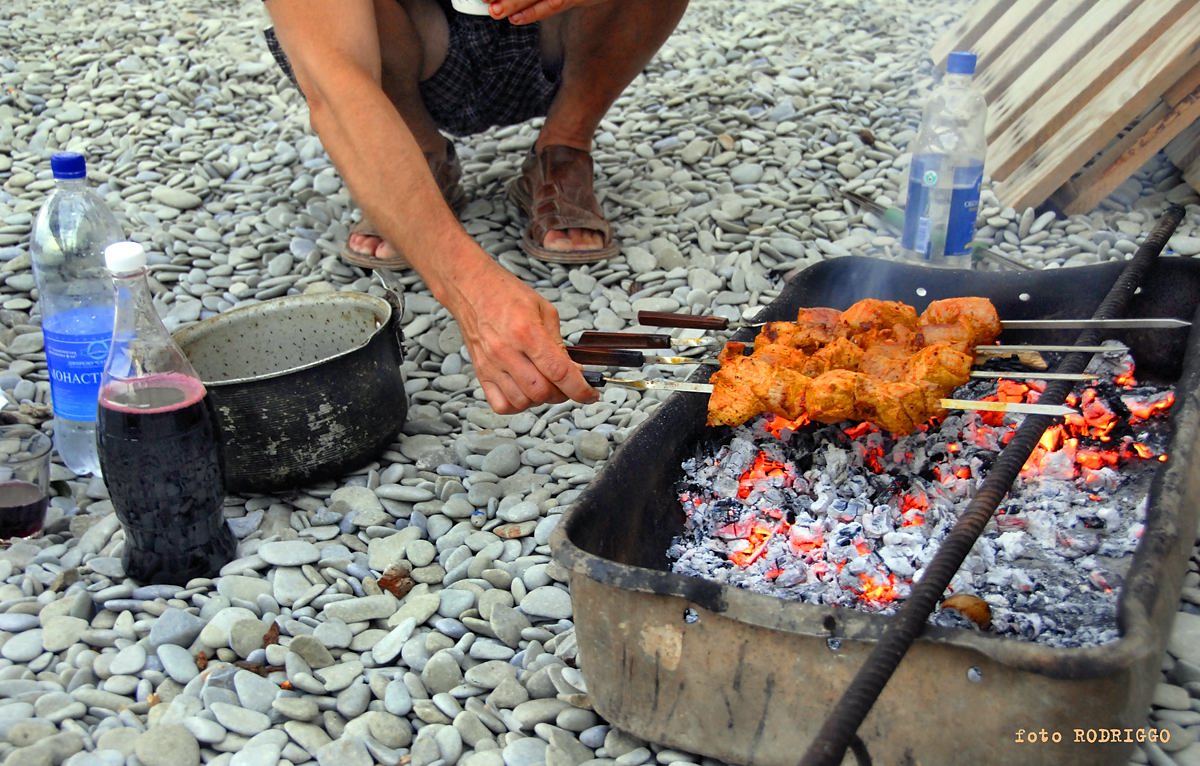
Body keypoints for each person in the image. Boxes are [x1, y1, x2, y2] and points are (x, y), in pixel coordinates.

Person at [263, 0, 689, 414]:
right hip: (413, 43)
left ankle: (566, 143)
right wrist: (472, 292)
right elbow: (334, 81)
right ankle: (414, 158)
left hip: (563, 33)